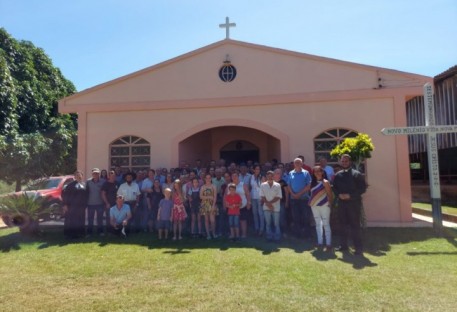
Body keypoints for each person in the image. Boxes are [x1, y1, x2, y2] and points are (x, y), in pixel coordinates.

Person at [332, 154, 367, 255]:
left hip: (353, 204)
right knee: (342, 225)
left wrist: (350, 195)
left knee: (355, 226)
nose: (344, 163)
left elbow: (362, 189)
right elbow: (334, 187)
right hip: (342, 204)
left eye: (346, 161)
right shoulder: (338, 175)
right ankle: (343, 246)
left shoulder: (357, 174)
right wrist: (339, 195)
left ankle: (358, 248)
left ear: (350, 162)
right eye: (342, 161)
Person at [309, 166, 334, 251]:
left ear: (322, 172)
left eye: (319, 171)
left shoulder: (325, 182)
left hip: (324, 205)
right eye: (315, 171)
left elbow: (330, 194)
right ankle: (320, 242)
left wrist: (330, 204)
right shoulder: (312, 182)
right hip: (314, 206)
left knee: (326, 224)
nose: (317, 173)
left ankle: (328, 244)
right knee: (318, 224)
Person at [288, 157, 312, 239]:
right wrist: (293, 194)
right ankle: (297, 234)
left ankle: (306, 235)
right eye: (296, 163)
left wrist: (299, 194)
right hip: (294, 199)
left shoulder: (306, 173)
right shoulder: (291, 173)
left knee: (305, 217)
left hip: (304, 199)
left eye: (299, 162)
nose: (297, 164)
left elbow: (308, 186)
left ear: (302, 164)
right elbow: (288, 185)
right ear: (294, 164)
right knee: (295, 217)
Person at [62, 170, 88, 239]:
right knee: (71, 221)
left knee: (81, 220)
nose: (79, 177)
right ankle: (70, 235)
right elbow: (65, 195)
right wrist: (65, 205)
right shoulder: (70, 185)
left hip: (81, 206)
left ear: (82, 176)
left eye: (80, 175)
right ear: (75, 177)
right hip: (72, 206)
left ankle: (80, 234)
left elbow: (86, 195)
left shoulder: (84, 185)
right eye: (77, 175)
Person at [260, 171, 282, 242]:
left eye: (271, 176)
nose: (270, 177)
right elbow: (262, 196)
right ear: (266, 176)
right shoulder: (263, 185)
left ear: (273, 176)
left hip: (276, 207)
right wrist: (268, 204)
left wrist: (270, 203)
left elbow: (279, 196)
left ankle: (277, 238)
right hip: (266, 207)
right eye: (268, 176)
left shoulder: (278, 185)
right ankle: (269, 237)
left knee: (276, 224)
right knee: (268, 223)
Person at [230, 172, 251, 239]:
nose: (234, 177)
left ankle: (244, 234)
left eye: (235, 176)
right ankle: (236, 235)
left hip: (243, 206)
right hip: (233, 207)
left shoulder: (243, 185)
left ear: (238, 176)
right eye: (233, 176)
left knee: (243, 221)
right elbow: (226, 195)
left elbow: (248, 194)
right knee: (234, 221)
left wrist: (249, 203)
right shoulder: (230, 185)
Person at [86, 168, 105, 236]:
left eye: (97, 173)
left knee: (100, 219)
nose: (95, 174)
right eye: (94, 173)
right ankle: (89, 232)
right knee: (90, 219)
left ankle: (100, 232)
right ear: (92, 174)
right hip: (90, 203)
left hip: (100, 203)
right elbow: (86, 192)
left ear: (99, 174)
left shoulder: (103, 181)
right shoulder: (88, 181)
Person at [200, 173, 218, 240]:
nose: (208, 179)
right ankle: (208, 234)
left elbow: (215, 197)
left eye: (209, 178)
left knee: (212, 220)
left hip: (212, 204)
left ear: (211, 179)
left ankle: (213, 233)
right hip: (204, 204)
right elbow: (200, 196)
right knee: (206, 220)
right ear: (205, 179)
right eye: (206, 178)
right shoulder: (203, 187)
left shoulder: (213, 186)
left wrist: (213, 205)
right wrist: (209, 196)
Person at [250, 165, 264, 236]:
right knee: (254, 213)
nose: (257, 170)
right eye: (256, 169)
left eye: (258, 169)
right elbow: (250, 187)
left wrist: (263, 198)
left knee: (260, 213)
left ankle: (262, 229)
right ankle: (256, 228)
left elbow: (264, 188)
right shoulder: (251, 177)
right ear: (254, 170)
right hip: (253, 197)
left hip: (260, 197)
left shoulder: (262, 177)